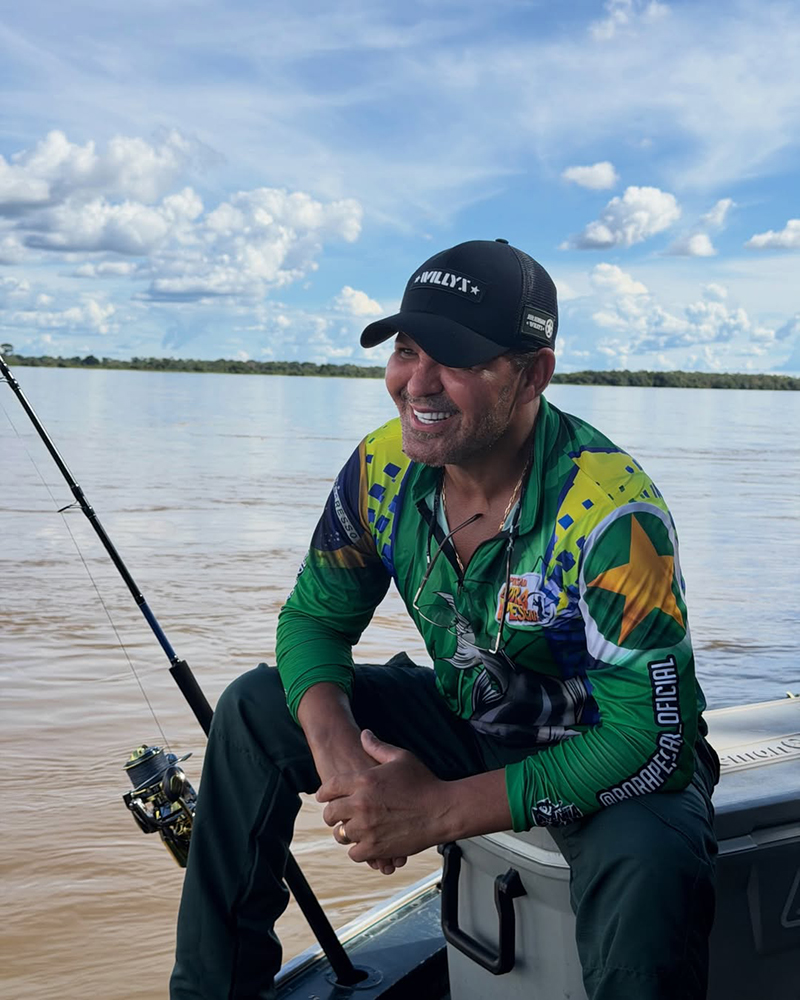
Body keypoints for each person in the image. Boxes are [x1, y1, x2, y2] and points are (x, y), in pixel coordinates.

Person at [171, 239, 719, 1000]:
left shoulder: (613, 516)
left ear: (534, 374)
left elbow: (647, 740)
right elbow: (312, 621)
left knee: (649, 860)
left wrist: (433, 812)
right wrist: (341, 759)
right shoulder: (383, 467)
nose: (415, 384)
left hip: (607, 751)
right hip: (475, 713)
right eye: (406, 349)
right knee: (256, 708)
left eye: (455, 359)